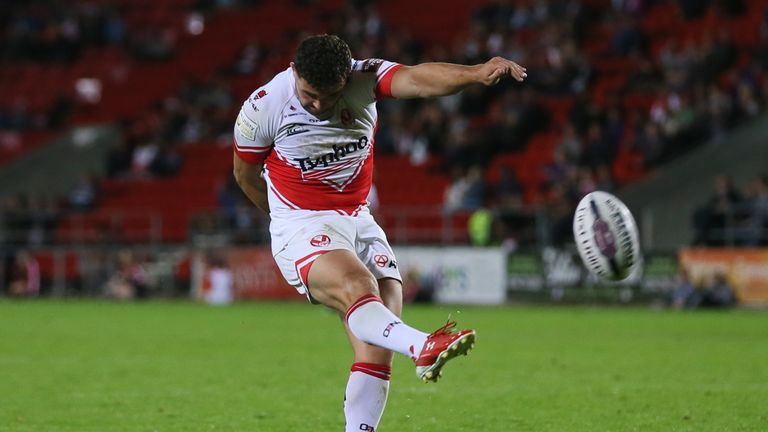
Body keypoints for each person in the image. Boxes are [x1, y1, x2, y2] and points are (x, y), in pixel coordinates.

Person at [232, 34, 526, 431]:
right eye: (309, 95)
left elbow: (419, 79)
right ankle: (423, 346)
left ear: (345, 79)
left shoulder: (364, 78)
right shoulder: (265, 105)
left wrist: (475, 73)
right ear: (294, 72)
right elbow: (244, 173)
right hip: (301, 221)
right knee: (358, 285)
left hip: (358, 217)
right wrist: (283, 219)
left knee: (378, 338)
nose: (318, 106)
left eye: (329, 96)